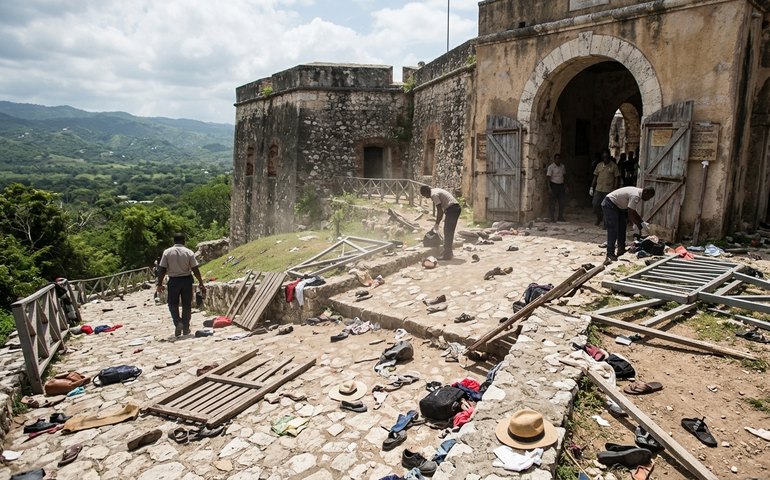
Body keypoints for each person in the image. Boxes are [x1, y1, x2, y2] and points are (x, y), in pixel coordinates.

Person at [156, 233, 206, 336]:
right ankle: (186, 327)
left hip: (173, 281)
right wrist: (201, 282)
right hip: (187, 280)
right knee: (186, 304)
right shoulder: (188, 252)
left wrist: (159, 284)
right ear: (183, 241)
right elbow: (195, 268)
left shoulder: (167, 252)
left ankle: (178, 322)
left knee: (172, 304)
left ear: (174, 241)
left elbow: (162, 269)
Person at [601, 186, 656, 262]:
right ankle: (610, 253)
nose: (648, 200)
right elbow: (631, 213)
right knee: (613, 229)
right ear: (646, 192)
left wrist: (642, 223)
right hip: (610, 204)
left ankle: (621, 249)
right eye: (648, 197)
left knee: (622, 226)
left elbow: (633, 211)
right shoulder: (636, 195)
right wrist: (638, 225)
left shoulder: (638, 194)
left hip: (618, 206)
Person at [420, 185, 461, 260]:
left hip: (452, 209)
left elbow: (440, 211)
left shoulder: (433, 195)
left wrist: (437, 224)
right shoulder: (435, 190)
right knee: (448, 231)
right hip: (454, 208)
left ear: (426, 192)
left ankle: (447, 255)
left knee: (448, 231)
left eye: (424, 195)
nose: (426, 197)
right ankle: (448, 252)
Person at [591, 150, 621, 226]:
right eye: (604, 157)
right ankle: (599, 217)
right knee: (595, 204)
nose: (605, 159)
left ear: (609, 157)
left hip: (608, 190)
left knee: (606, 207)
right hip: (598, 188)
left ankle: (605, 223)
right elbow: (595, 176)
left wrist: (615, 189)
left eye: (607, 157)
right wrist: (591, 187)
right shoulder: (599, 165)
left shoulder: (614, 166)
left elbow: (617, 178)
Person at [546, 153, 566, 222]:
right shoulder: (551, 167)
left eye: (559, 159)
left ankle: (560, 217)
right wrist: (549, 188)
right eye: (556, 159)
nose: (558, 160)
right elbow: (548, 178)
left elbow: (564, 176)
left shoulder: (562, 166)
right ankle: (552, 217)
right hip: (554, 185)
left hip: (561, 186)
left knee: (562, 202)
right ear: (554, 159)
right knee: (553, 202)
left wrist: (565, 186)